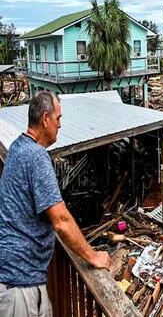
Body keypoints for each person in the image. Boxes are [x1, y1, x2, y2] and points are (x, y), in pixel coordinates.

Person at [0, 91, 111, 317]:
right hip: (19, 283)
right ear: (45, 119)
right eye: (58, 118)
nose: (60, 125)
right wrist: (93, 256)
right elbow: (60, 220)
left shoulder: (17, 148)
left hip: (20, 277)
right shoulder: (36, 157)